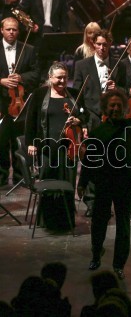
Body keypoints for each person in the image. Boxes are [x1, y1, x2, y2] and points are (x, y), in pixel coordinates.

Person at [77, 89, 131, 280]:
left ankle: (119, 265)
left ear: (124, 108)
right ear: (105, 108)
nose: (115, 108)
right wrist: (82, 183)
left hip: (124, 184)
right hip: (103, 183)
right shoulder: (97, 132)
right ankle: (96, 255)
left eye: (118, 105)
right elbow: (89, 160)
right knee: (98, 223)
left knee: (123, 225)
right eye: (111, 105)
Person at [25, 62, 86, 231]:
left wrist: (78, 120)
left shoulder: (73, 94)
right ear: (50, 77)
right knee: (49, 183)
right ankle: (48, 221)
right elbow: (31, 120)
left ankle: (66, 221)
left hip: (68, 149)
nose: (62, 81)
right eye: (58, 77)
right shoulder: (39, 94)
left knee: (68, 183)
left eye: (65, 77)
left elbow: (84, 115)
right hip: (47, 148)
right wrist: (30, 143)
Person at [73, 29, 117, 217]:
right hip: (92, 120)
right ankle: (91, 202)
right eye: (98, 44)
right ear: (93, 45)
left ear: (110, 45)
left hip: (112, 121)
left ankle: (107, 202)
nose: (101, 48)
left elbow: (124, 93)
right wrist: (83, 123)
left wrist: (118, 88)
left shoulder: (118, 65)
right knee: (92, 162)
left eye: (105, 44)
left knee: (111, 163)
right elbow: (77, 97)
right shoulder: (82, 65)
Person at [0, 17, 40, 186]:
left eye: (15, 29)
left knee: (19, 141)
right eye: (8, 29)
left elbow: (37, 74)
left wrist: (21, 77)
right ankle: (1, 176)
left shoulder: (28, 50)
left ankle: (20, 176)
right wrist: (1, 81)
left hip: (21, 103)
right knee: (1, 141)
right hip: (1, 102)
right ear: (1, 30)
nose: (11, 32)